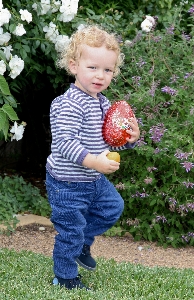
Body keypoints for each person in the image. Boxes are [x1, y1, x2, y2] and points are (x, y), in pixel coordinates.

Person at [45, 24, 140, 290]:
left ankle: (82, 242)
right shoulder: (68, 104)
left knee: (113, 207)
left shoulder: (102, 103)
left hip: (92, 179)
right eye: (93, 68)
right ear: (74, 66)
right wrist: (94, 162)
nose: (100, 75)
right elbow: (64, 143)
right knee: (69, 231)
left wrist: (129, 140)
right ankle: (64, 278)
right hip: (66, 183)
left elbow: (109, 141)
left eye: (107, 70)